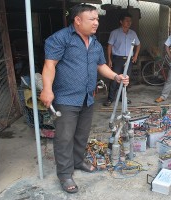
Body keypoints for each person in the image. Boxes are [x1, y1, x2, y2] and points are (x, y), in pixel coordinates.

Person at [40, 4, 129, 193]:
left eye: (97, 19)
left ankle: (78, 161)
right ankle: (64, 174)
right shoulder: (61, 38)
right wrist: (47, 89)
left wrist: (116, 76)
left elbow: (101, 66)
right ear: (78, 20)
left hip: (87, 97)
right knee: (64, 138)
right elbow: (50, 65)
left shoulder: (95, 42)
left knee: (82, 134)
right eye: (92, 19)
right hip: (66, 97)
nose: (97, 22)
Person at [103, 12, 141, 107]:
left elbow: (138, 44)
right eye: (126, 20)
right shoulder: (115, 33)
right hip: (117, 59)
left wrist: (135, 55)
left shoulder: (133, 33)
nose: (129, 23)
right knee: (114, 79)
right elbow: (110, 46)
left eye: (130, 21)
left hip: (129, 59)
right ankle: (110, 98)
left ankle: (123, 98)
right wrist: (109, 59)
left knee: (126, 79)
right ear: (121, 22)